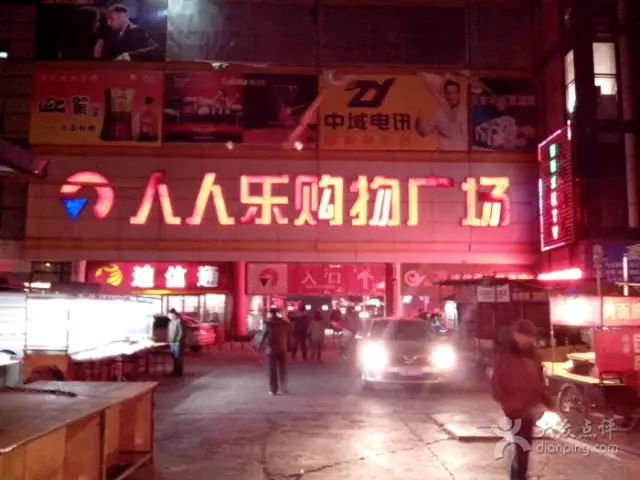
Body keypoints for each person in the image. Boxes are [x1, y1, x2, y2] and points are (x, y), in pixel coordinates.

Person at [491, 319, 553, 480]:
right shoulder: (505, 355)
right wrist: (508, 403)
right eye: (525, 336)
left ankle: (519, 475)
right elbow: (496, 383)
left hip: (530, 408)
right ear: (516, 335)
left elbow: (539, 382)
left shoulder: (535, 356)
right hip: (513, 409)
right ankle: (519, 477)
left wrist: (547, 402)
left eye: (531, 336)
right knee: (521, 445)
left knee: (525, 446)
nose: (528, 340)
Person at [415, 74, 467, 151]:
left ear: (459, 94)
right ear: (445, 95)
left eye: (454, 93)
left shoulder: (466, 111)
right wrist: (418, 125)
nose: (451, 96)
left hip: (462, 154)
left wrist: (434, 92)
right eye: (448, 93)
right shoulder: (439, 114)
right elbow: (424, 133)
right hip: (444, 154)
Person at [260, 307, 292, 395]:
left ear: (270, 313)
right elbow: (289, 335)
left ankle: (273, 390)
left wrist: (259, 345)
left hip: (271, 349)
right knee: (283, 369)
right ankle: (284, 388)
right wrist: (289, 346)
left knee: (272, 370)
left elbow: (262, 336)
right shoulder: (285, 323)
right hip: (283, 348)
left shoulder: (268, 324)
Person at [167, 309, 185, 377]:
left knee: (178, 358)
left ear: (175, 314)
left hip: (177, 343)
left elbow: (180, 333)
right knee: (174, 358)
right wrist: (169, 341)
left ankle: (178, 372)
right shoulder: (171, 322)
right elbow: (169, 333)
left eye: (171, 315)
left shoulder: (179, 322)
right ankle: (174, 371)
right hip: (172, 343)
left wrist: (177, 341)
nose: (170, 316)